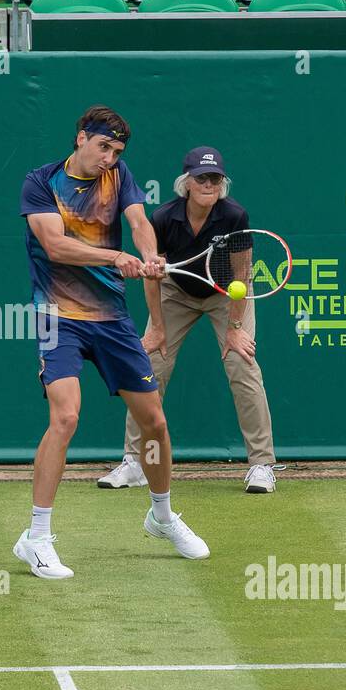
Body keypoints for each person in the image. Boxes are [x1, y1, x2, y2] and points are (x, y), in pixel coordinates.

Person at [13, 106, 210, 580]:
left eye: (117, 151)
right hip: (57, 315)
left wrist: (148, 255)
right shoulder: (40, 183)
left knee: (154, 422)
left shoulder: (118, 175)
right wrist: (114, 255)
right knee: (65, 415)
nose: (109, 157)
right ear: (81, 137)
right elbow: (56, 246)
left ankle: (162, 516)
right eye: (103, 147)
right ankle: (36, 536)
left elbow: (140, 222)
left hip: (112, 319)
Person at [98, 147, 278, 493]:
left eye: (215, 178)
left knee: (242, 364)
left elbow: (242, 273)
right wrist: (158, 329)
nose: (208, 184)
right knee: (148, 365)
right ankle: (134, 462)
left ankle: (261, 465)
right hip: (174, 291)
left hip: (227, 294)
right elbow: (153, 277)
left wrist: (236, 329)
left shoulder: (235, 216)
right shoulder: (164, 217)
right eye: (201, 178)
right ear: (187, 183)